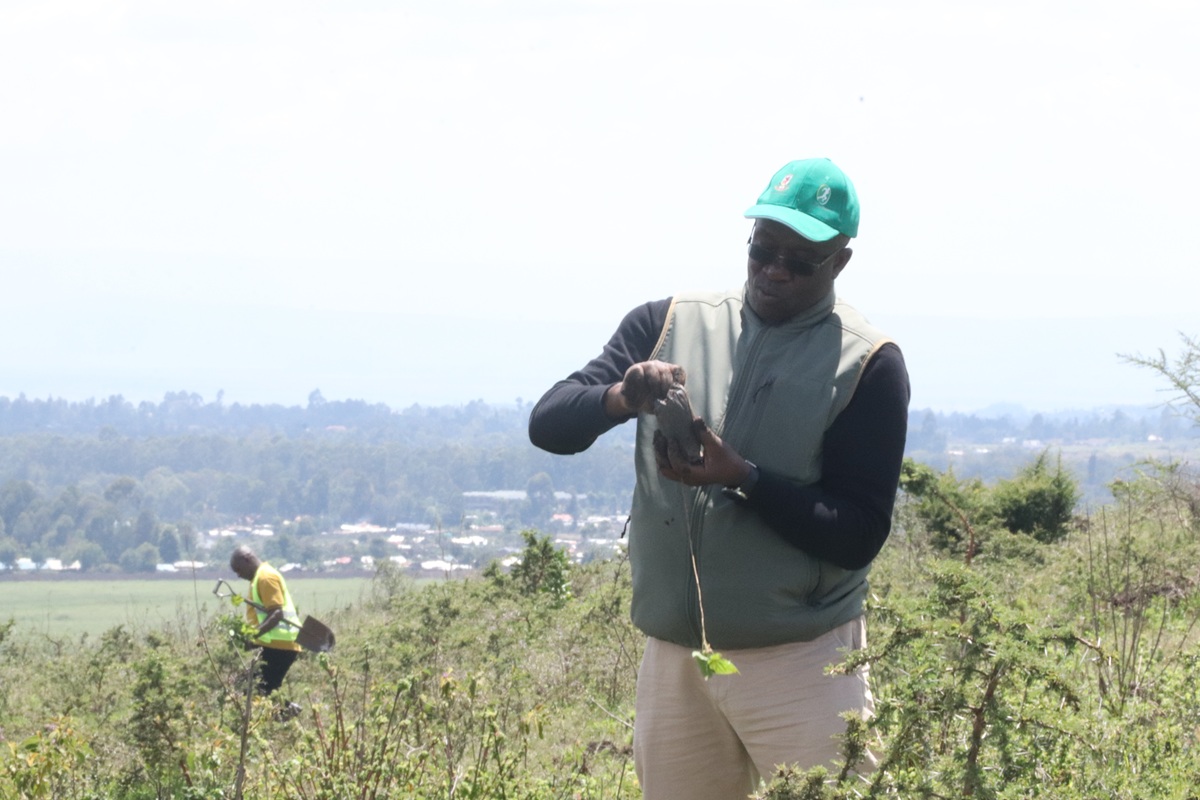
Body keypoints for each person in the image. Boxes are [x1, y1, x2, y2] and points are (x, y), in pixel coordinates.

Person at [528, 158, 909, 799]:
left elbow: (858, 533)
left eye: (801, 261)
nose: (775, 271)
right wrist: (623, 396)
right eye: (764, 250)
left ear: (840, 262)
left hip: (803, 658)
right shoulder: (668, 322)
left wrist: (744, 478)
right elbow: (550, 424)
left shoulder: (867, 363)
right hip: (678, 658)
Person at [229, 545, 302, 698]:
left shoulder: (266, 577)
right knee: (253, 688)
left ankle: (288, 714)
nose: (238, 575)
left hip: (281, 646)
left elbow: (276, 614)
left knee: (259, 692)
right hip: (274, 644)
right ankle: (286, 713)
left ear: (247, 559)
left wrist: (254, 636)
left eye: (238, 569)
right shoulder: (258, 579)